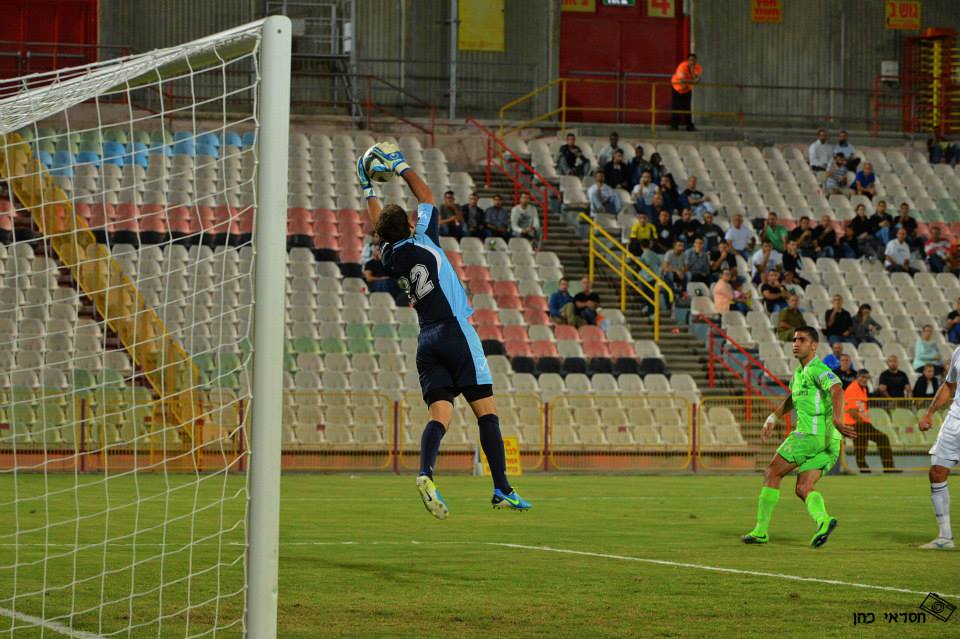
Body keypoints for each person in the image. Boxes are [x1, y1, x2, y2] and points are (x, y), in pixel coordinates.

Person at [358, 141, 531, 516]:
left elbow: (381, 227)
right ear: (409, 225)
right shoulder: (422, 239)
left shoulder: (389, 255)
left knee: (440, 416)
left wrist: (367, 187)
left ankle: (426, 473)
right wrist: (401, 166)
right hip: (455, 332)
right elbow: (426, 196)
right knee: (486, 413)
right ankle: (502, 487)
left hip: (426, 341)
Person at [742, 326, 854, 546]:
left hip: (810, 436)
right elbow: (793, 398)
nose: (796, 343)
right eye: (794, 340)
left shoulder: (816, 369)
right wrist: (774, 417)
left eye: (802, 340)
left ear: (814, 346)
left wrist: (837, 418)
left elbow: (837, 389)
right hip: (829, 443)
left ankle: (761, 531)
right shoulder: (798, 374)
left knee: (772, 473)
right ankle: (824, 520)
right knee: (803, 488)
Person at [916, 343, 960, 549]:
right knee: (937, 472)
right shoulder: (959, 351)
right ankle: (944, 537)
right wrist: (929, 413)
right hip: (955, 419)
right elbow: (949, 385)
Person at [843, 369, 898, 473]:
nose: (865, 380)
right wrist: (863, 423)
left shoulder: (863, 388)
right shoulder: (853, 389)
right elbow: (852, 411)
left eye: (867, 378)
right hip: (856, 423)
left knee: (861, 445)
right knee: (882, 439)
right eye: (862, 377)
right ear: (857, 378)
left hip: (860, 423)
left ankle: (864, 469)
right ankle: (888, 467)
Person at [670, 53, 702, 131]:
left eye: (694, 60)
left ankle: (689, 126)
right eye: (690, 60)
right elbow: (682, 81)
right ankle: (674, 126)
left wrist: (692, 71)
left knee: (687, 107)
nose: (692, 62)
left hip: (687, 88)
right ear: (687, 61)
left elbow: (697, 80)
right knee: (676, 107)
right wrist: (693, 81)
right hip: (677, 88)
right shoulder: (682, 67)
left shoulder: (698, 67)